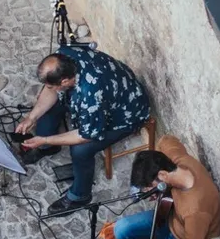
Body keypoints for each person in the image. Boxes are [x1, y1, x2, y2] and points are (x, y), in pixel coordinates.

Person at [15, 45, 151, 217]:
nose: (49, 88)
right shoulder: (64, 55)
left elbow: (85, 135)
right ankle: (47, 148)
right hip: (106, 96)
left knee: (80, 150)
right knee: (53, 105)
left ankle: (80, 195)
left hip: (126, 114)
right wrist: (31, 117)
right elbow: (52, 92)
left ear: (64, 81)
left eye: (52, 86)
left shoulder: (91, 93)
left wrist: (46, 139)